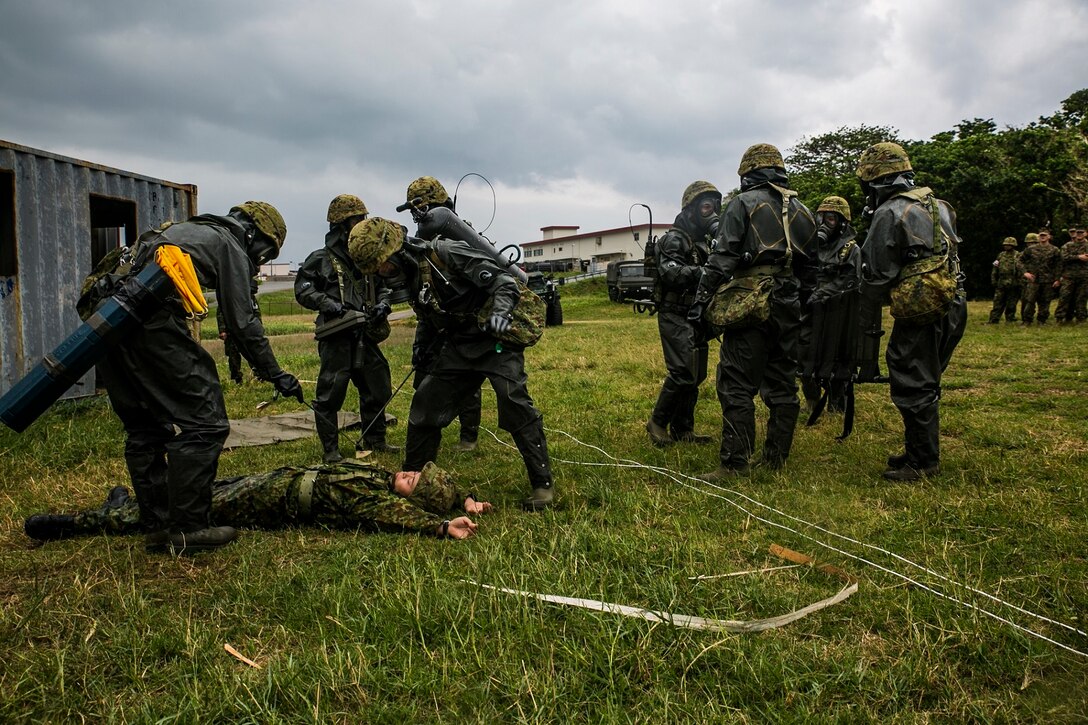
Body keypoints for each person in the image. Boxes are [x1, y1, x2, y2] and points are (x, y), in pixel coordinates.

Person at [85, 202, 304, 553]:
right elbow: (242, 322)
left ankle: (157, 526)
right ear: (256, 236)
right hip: (148, 321)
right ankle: (188, 527)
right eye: (265, 253)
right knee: (206, 424)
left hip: (107, 320)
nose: (260, 262)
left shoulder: (180, 231)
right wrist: (275, 373)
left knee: (146, 429)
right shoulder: (229, 244)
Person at [348, 216, 557, 510]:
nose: (382, 273)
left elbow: (504, 283)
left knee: (513, 401)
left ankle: (542, 486)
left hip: (495, 340)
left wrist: (500, 312)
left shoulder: (446, 253)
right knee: (425, 405)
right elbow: (428, 317)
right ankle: (415, 476)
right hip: (458, 346)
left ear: (396, 249)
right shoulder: (410, 275)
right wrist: (421, 350)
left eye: (381, 265)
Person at [691, 143, 818, 479]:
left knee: (735, 381)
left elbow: (722, 259)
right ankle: (776, 458)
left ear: (747, 173)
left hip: (751, 300)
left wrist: (701, 301)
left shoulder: (743, 204)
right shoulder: (804, 211)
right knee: (782, 382)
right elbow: (812, 272)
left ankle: (735, 463)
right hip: (789, 302)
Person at [23, 461, 491, 548]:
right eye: (416, 473)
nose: (409, 476)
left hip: (266, 500)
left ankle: (79, 523)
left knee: (184, 508)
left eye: (416, 484)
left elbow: (397, 517)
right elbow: (430, 494)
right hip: (270, 479)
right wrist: (464, 495)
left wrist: (439, 525)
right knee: (192, 488)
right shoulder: (379, 474)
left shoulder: (371, 499)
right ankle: (122, 504)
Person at [855, 142, 967, 481]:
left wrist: (866, 301)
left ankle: (922, 461)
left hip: (921, 308)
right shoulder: (939, 206)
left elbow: (877, 273)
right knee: (927, 379)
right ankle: (918, 448)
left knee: (912, 380)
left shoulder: (890, 212)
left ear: (876, 183)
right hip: (953, 302)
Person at [295, 194, 397, 463]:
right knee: (330, 395)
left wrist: (383, 305)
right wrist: (330, 305)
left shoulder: (367, 257)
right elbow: (303, 290)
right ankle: (331, 450)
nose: (362, 224)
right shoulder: (320, 259)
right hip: (337, 337)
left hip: (366, 334)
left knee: (379, 387)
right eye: (357, 219)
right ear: (341, 224)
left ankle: (375, 439)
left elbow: (386, 288)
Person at [402, 177, 482, 452]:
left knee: (466, 377)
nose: (418, 216)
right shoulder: (421, 239)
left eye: (422, 209)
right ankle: (427, 430)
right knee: (423, 368)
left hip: (463, 316)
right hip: (431, 314)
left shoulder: (461, 236)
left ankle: (468, 435)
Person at [645, 180, 721, 447]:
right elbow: (671, 273)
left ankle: (683, 429)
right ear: (691, 209)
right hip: (674, 312)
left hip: (696, 313)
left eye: (713, 207)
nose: (711, 213)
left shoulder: (701, 242)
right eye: (706, 207)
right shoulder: (674, 239)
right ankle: (657, 422)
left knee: (696, 373)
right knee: (682, 371)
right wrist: (706, 272)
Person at [803, 195, 861, 414]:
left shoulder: (850, 250)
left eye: (830, 219)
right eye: (821, 218)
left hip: (839, 314)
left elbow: (851, 281)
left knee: (838, 359)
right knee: (805, 354)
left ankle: (836, 405)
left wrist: (823, 293)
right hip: (811, 312)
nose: (824, 224)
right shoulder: (813, 247)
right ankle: (811, 401)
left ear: (842, 222)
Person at [217, 275, 261, 382]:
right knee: (233, 356)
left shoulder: (251, 298)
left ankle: (259, 375)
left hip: (247, 328)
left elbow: (256, 313)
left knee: (253, 353)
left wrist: (259, 327)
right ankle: (236, 378)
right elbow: (221, 313)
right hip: (232, 329)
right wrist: (222, 330)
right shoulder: (228, 295)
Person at [1018, 228, 1061, 325]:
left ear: (1049, 237)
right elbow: (1020, 261)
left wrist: (1057, 279)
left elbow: (1059, 265)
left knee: (1045, 302)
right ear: (1038, 236)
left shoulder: (1054, 250)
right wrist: (1025, 272)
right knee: (1030, 301)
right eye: (1041, 235)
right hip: (1034, 280)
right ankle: (1027, 320)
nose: (1042, 237)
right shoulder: (1031, 249)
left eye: (1045, 235)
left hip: (1048, 280)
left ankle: (1042, 321)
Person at [1054, 224, 1088, 324]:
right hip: (1068, 276)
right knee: (1064, 297)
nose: (1079, 234)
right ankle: (1059, 318)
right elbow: (1063, 258)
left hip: (1084, 277)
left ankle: (1081, 319)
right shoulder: (1067, 246)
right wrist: (1078, 257)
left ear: (1086, 234)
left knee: (1081, 298)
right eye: (1078, 232)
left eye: (1081, 233)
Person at [987, 237, 1021, 324]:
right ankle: (994, 319)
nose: (1006, 246)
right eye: (1005, 245)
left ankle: (1010, 319)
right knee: (998, 302)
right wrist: (993, 279)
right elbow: (995, 267)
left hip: (1013, 282)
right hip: (1001, 282)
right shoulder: (1001, 255)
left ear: (1013, 245)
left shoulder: (1018, 255)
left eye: (1008, 245)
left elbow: (1021, 269)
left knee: (1012, 303)